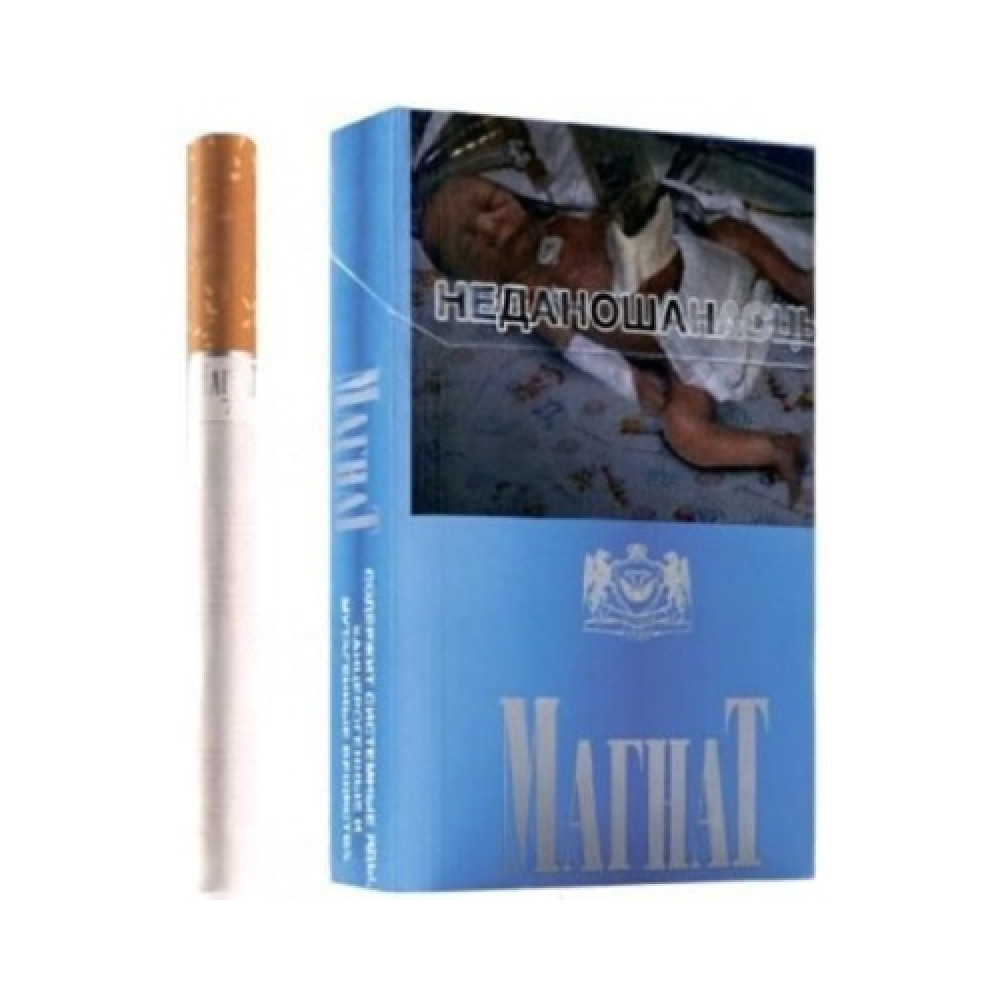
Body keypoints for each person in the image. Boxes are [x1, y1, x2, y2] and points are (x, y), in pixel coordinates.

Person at [419, 174, 813, 504]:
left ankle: (798, 282)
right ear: (478, 278)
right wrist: (629, 379)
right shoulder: (530, 298)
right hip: (691, 347)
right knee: (684, 430)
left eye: (490, 204)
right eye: (471, 240)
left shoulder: (561, 215)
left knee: (726, 230)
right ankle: (775, 448)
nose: (491, 226)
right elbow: (579, 348)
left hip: (716, 271)